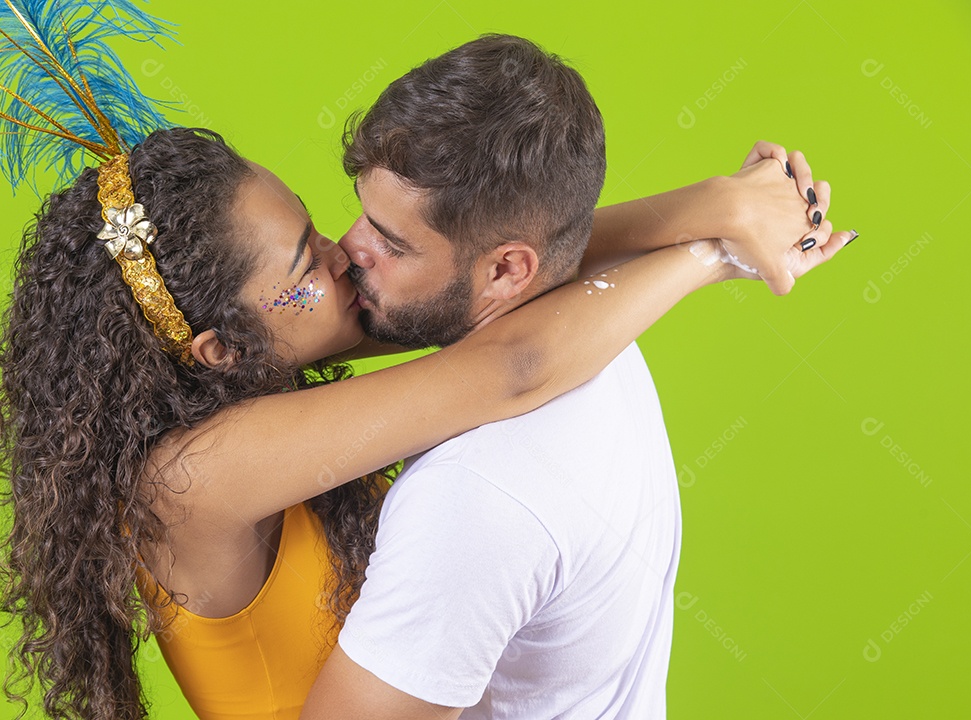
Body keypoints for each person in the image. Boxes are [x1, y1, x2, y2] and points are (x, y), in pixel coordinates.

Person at [0, 5, 846, 720]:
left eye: (323, 228)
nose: (346, 254)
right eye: (306, 261)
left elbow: (492, 269)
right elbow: (508, 358)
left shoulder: (245, 385)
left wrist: (725, 202)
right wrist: (710, 251)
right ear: (222, 349)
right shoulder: (197, 478)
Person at [301, 35, 854, 720]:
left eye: (392, 241)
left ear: (507, 271)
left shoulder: (473, 495)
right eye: (365, 214)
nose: (352, 246)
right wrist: (716, 228)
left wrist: (716, 234)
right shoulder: (597, 334)